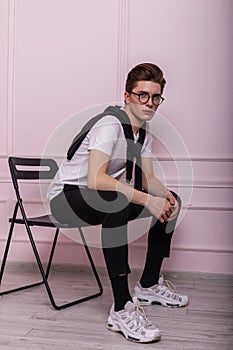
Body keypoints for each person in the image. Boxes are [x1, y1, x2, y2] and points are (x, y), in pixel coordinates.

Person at [47, 63, 189, 344]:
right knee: (117, 200)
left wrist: (163, 196)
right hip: (66, 198)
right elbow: (96, 179)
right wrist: (146, 199)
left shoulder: (142, 132)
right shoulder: (109, 124)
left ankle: (148, 284)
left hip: (98, 197)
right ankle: (122, 308)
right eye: (142, 95)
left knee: (168, 200)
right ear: (127, 96)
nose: (149, 103)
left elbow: (147, 180)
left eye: (155, 97)